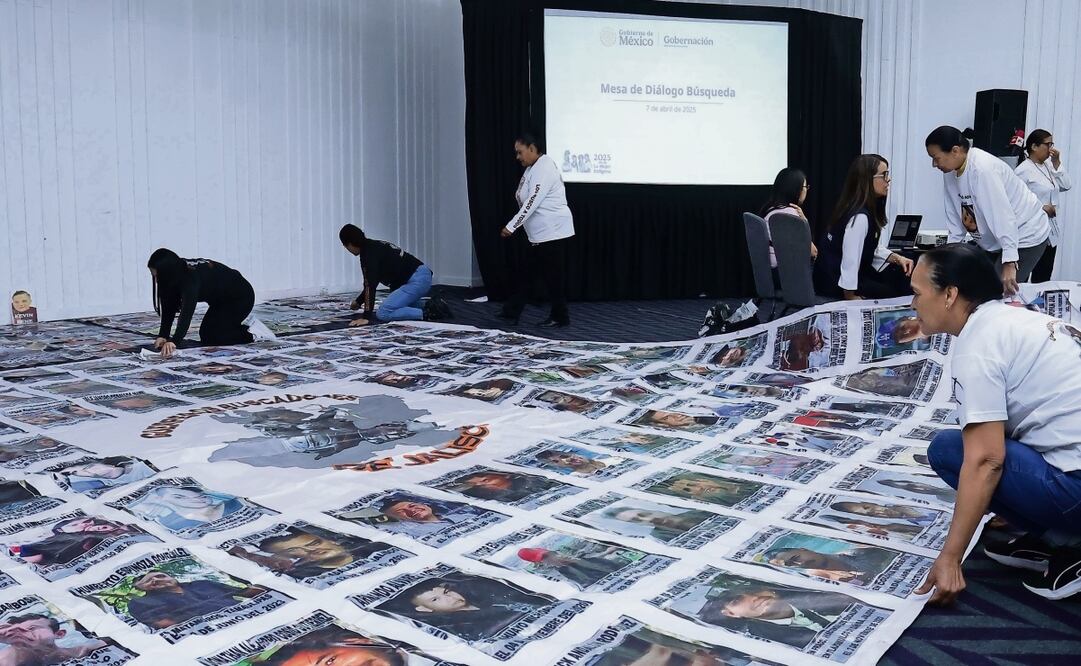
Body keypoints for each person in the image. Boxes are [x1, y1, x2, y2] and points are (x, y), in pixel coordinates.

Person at [910, 243, 1081, 602]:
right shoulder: (1020, 316)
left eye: (917, 293)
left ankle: (1070, 540)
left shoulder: (979, 343)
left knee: (949, 450)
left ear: (950, 295)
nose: (912, 305)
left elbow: (987, 460)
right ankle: (1055, 532)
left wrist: (950, 557)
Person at [925, 126, 1050, 294]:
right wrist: (949, 258)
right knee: (976, 288)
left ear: (955, 151)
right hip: (996, 240)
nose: (934, 164)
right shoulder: (950, 171)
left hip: (1026, 233)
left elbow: (1003, 217)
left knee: (1000, 292)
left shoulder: (983, 169)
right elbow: (955, 219)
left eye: (935, 158)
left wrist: (1010, 262)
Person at [499, 132, 576, 327]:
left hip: (552, 231)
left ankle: (560, 316)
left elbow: (532, 201)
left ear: (532, 148)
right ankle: (512, 311)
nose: (518, 157)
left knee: (551, 277)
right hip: (540, 233)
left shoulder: (544, 167)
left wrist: (512, 226)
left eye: (520, 152)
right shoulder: (533, 167)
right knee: (528, 273)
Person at [813, 154, 914, 299]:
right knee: (894, 292)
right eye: (884, 175)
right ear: (867, 180)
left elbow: (865, 246)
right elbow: (851, 259)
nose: (888, 179)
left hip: (829, 279)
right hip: (837, 285)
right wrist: (850, 297)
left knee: (896, 275)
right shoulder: (859, 217)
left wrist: (896, 258)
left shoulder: (851, 207)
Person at [147, 248, 264, 359]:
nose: (156, 281)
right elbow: (168, 308)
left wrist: (174, 341)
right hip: (219, 300)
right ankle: (234, 327)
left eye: (158, 276)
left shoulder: (189, 279)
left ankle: (253, 332)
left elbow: (186, 313)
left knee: (218, 336)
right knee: (207, 335)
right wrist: (163, 336)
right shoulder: (175, 274)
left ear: (167, 273)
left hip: (240, 296)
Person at [338, 224, 449, 325]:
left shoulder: (368, 255)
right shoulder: (373, 246)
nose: (348, 250)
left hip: (415, 280)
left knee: (383, 312)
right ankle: (433, 305)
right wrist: (358, 302)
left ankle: (427, 313)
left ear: (350, 243)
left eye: (346, 246)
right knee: (398, 305)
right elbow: (372, 282)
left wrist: (366, 317)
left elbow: (370, 286)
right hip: (421, 275)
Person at [698, 585, 855, 647]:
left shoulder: (814, 592)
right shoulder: (766, 641)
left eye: (753, 590)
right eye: (737, 600)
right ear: (731, 614)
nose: (755, 597)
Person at [1014, 129, 1071, 282]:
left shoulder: (1048, 166)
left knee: (1044, 275)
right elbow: (1016, 200)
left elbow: (1066, 185)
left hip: (1050, 229)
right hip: (1031, 231)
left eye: (1052, 144)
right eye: (1048, 144)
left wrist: (1057, 163)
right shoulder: (1023, 170)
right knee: (1024, 275)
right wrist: (1041, 207)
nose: (1051, 149)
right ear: (1034, 146)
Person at [126, 571, 263, 628]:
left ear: (173, 577)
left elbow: (247, 592)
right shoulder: (139, 603)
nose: (155, 579)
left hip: (252, 619)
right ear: (141, 589)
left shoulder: (202, 583)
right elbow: (165, 624)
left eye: (161, 576)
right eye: (147, 581)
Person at [760, 167, 818, 268]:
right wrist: (804, 221)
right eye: (805, 187)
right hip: (785, 273)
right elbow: (813, 252)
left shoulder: (770, 209)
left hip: (770, 269)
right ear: (796, 189)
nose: (807, 190)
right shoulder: (791, 214)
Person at [0, 613, 105, 664]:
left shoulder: (80, 652)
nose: (24, 634)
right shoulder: (5, 660)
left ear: (59, 634)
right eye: (17, 632)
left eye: (32, 628)